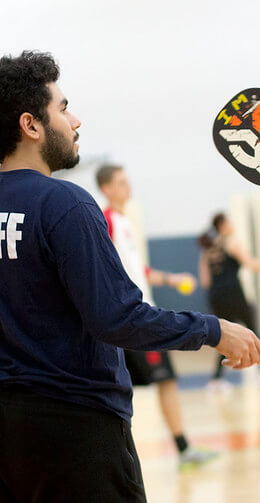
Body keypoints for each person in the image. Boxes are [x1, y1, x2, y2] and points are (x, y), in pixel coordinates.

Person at [0, 51, 260, 503]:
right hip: (76, 430)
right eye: (63, 107)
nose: (76, 120)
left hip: (3, 429)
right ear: (31, 125)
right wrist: (213, 330)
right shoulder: (67, 204)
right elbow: (117, 317)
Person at [97, 164, 219, 469]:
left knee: (163, 383)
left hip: (143, 313)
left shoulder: (125, 222)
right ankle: (122, 457)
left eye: (128, 181)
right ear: (106, 188)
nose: (129, 188)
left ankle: (181, 448)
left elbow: (138, 271)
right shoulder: (107, 221)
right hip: (132, 320)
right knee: (127, 389)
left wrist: (170, 279)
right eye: (121, 183)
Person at [198, 213, 260, 390]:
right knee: (253, 331)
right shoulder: (232, 243)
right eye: (229, 221)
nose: (232, 224)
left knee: (223, 334)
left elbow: (205, 281)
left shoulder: (208, 248)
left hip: (216, 297)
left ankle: (216, 380)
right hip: (234, 294)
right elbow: (253, 266)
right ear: (222, 225)